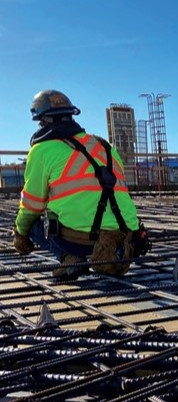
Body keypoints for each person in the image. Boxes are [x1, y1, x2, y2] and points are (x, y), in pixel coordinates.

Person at [13, 90, 145, 279]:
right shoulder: (104, 145)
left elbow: (31, 205)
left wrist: (20, 233)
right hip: (127, 233)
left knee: (32, 223)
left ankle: (70, 258)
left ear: (42, 121)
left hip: (83, 239)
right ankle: (110, 250)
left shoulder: (41, 150)